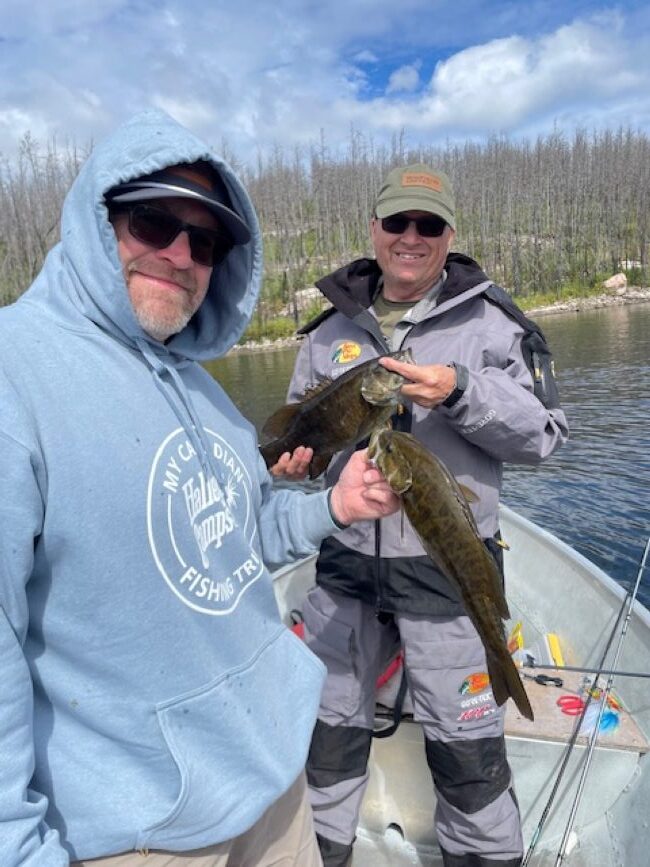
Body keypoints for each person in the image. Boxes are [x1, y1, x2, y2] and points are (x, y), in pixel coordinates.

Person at [0, 109, 400, 867]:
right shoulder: (13, 372)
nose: (180, 254)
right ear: (97, 219)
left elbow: (236, 538)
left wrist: (329, 508)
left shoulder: (207, 394)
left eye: (206, 240)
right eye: (152, 221)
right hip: (142, 830)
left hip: (273, 784)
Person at [275, 163, 569, 866]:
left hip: (446, 572)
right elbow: (306, 440)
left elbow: (546, 434)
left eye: (427, 224)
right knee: (327, 737)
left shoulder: (495, 322)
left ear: (448, 235)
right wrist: (298, 465)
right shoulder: (327, 332)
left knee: (468, 756)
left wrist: (462, 391)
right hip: (343, 566)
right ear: (373, 230)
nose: (411, 237)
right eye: (397, 223)